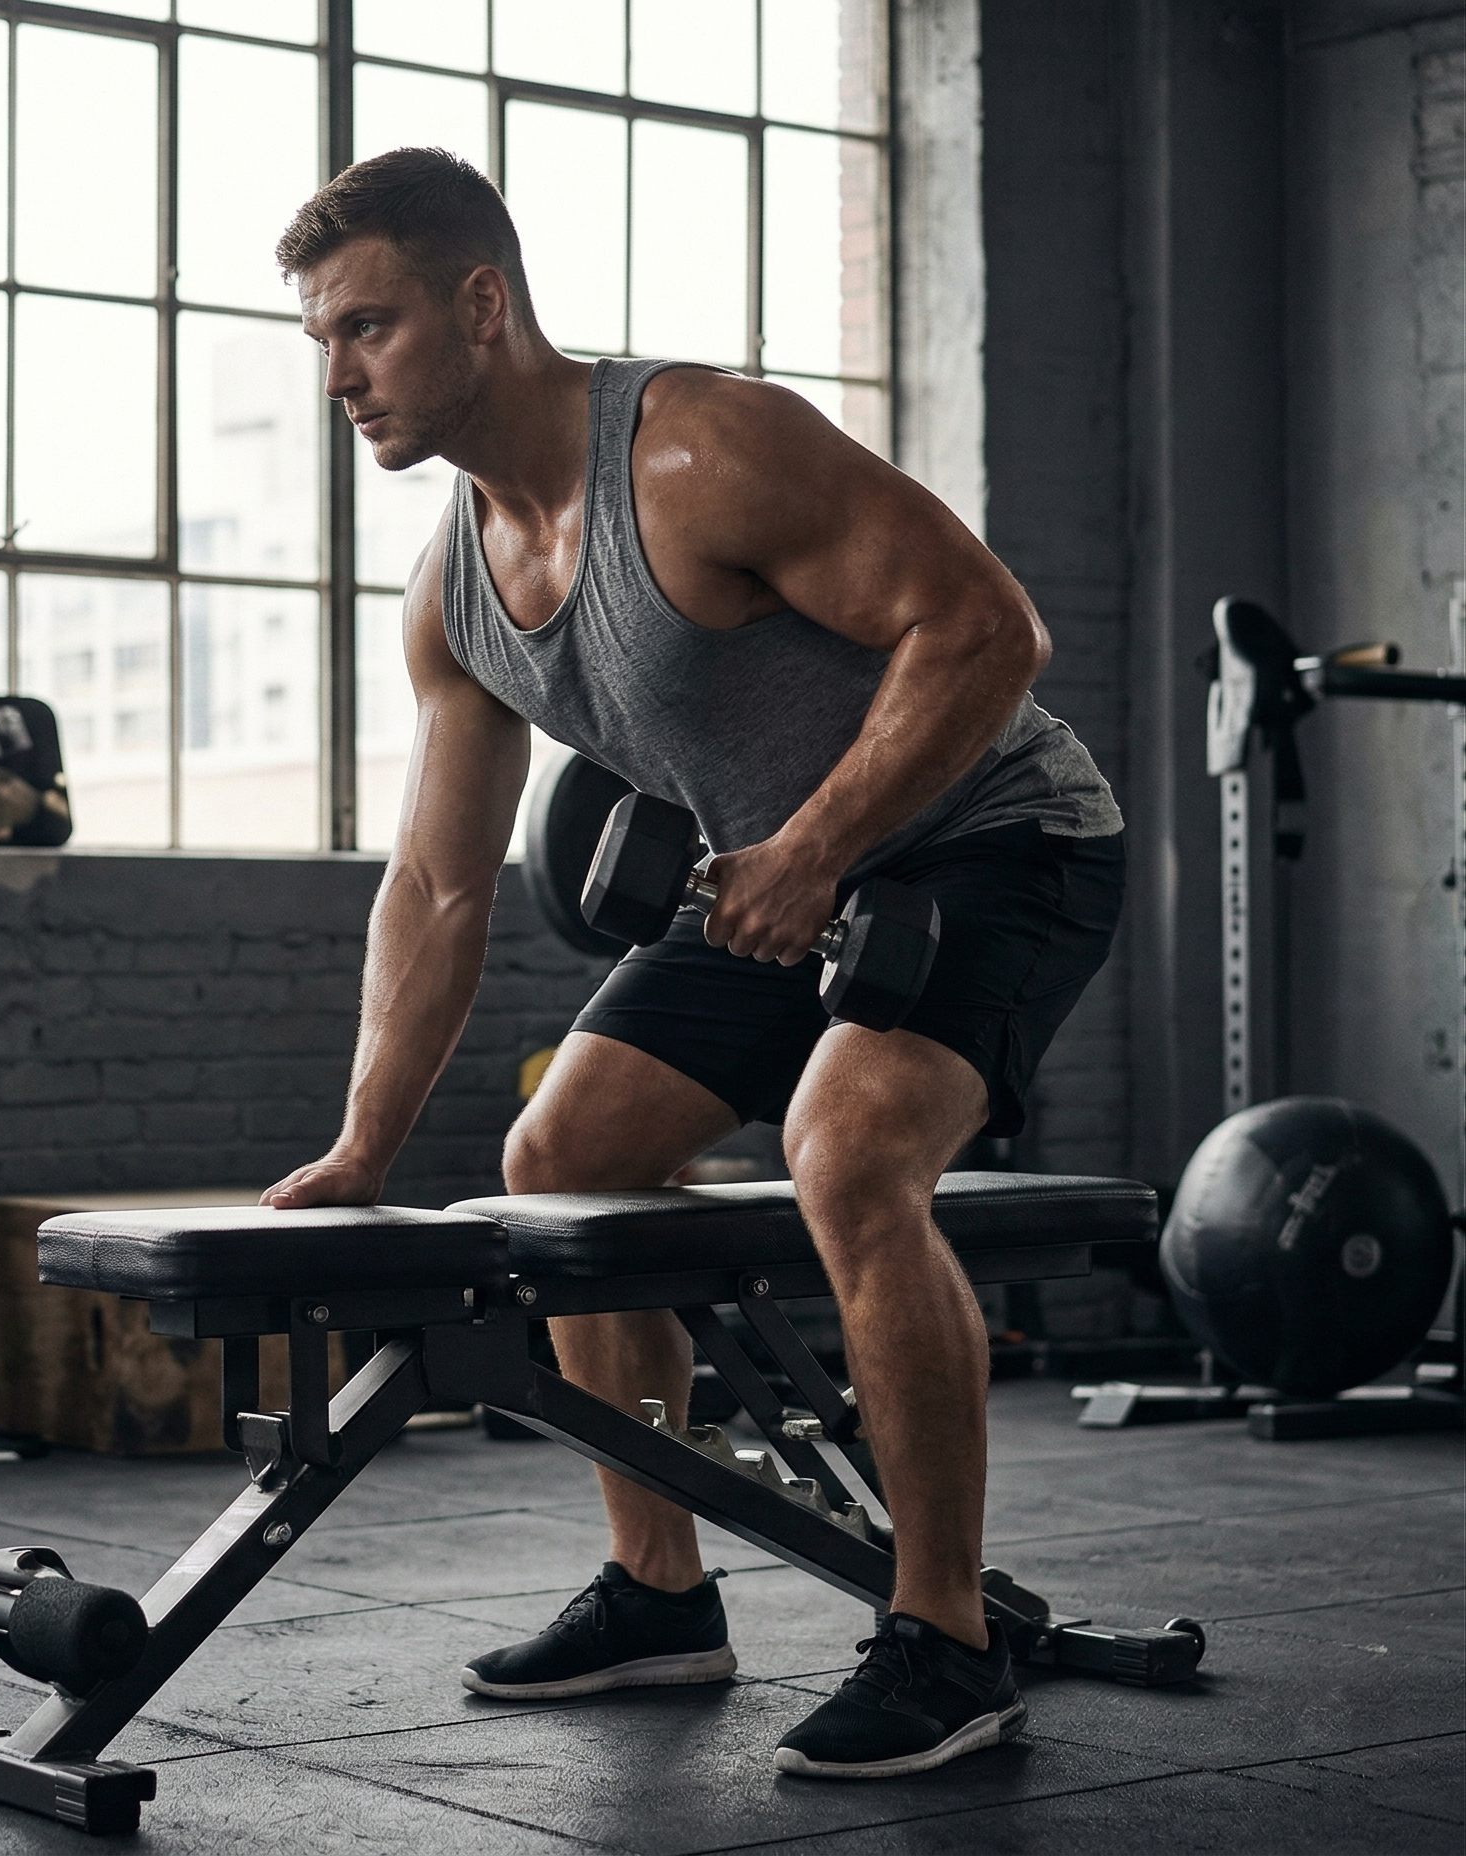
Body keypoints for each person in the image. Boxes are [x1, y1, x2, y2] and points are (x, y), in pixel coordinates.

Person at [261, 148, 1125, 1781]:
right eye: (317, 342)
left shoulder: (698, 447)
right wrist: (366, 1143)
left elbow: (987, 627)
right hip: (772, 878)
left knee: (847, 1150)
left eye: (363, 328)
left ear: (482, 303)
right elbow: (441, 882)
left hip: (998, 842)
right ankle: (660, 1595)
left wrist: (807, 853)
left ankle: (942, 1636)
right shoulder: (453, 587)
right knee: (559, 1155)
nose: (337, 375)